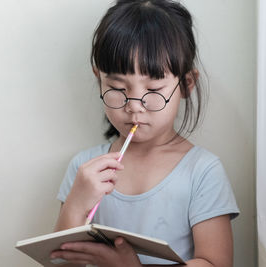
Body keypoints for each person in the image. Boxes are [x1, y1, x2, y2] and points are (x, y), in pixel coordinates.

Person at [52, 0, 239, 266]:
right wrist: (74, 204)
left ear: (186, 84)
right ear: (99, 81)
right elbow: (61, 261)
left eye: (153, 90)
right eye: (117, 87)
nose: (134, 106)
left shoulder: (203, 171)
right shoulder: (84, 168)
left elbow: (215, 262)